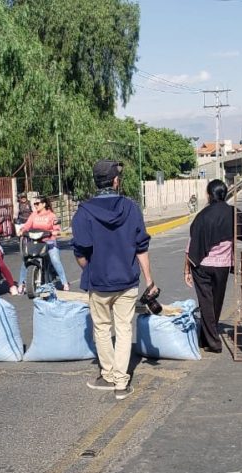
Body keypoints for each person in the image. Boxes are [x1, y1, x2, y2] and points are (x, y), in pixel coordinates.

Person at [71, 159, 155, 400]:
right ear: (116, 181)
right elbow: (141, 247)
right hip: (127, 281)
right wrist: (149, 280)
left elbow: (81, 251)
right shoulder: (131, 208)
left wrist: (90, 268)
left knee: (101, 327)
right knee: (124, 328)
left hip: (98, 282)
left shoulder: (83, 212)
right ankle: (121, 382)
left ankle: (107, 375)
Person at [184, 179, 242, 353]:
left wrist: (186, 269)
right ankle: (205, 338)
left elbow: (192, 245)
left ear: (209, 195)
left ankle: (213, 342)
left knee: (206, 303)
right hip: (222, 266)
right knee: (216, 302)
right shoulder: (233, 213)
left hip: (201, 266)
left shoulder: (202, 216)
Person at [17, 196, 70, 292]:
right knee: (26, 260)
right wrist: (22, 230)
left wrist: (55, 231)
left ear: (44, 204)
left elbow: (57, 227)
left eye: (37, 203)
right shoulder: (33, 215)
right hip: (36, 242)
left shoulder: (51, 215)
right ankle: (21, 284)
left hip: (49, 242)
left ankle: (64, 282)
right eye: (34, 204)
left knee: (55, 260)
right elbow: (27, 225)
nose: (35, 205)